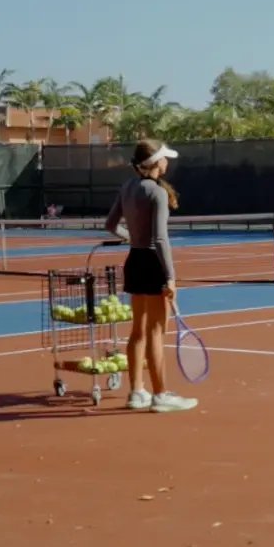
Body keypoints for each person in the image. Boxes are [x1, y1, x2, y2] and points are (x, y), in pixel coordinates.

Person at [103, 140, 197, 414]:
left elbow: (110, 225)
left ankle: (136, 392)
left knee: (138, 331)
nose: (168, 162)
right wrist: (170, 277)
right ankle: (160, 395)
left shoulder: (128, 187)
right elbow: (159, 239)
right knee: (156, 331)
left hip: (134, 260)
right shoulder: (156, 192)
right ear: (157, 163)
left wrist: (131, 238)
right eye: (165, 158)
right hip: (152, 263)